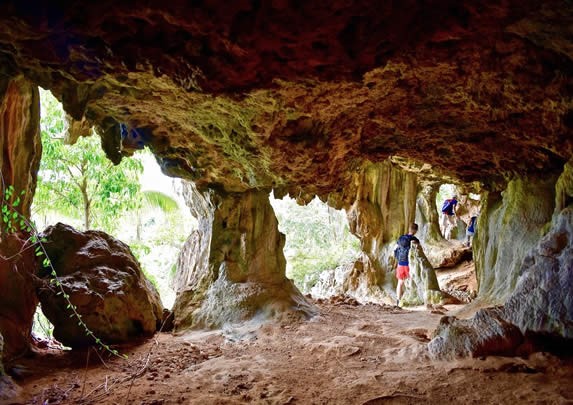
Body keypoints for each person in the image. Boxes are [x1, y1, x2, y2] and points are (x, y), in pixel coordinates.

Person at [394, 222, 419, 307]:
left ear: (409, 229)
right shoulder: (414, 239)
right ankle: (411, 299)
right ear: (416, 230)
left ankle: (398, 301)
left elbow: (395, 249)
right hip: (409, 264)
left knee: (400, 282)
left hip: (400, 263)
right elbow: (418, 252)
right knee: (411, 281)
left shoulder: (401, 238)